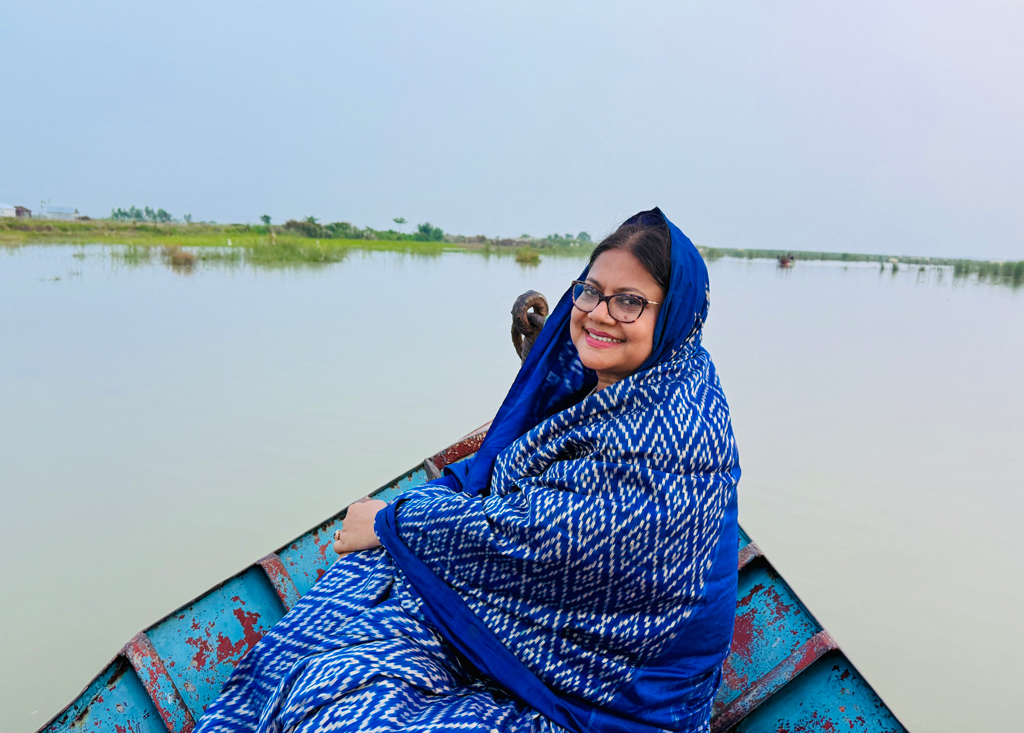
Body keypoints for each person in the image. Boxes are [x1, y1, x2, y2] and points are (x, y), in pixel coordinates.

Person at [195, 208, 741, 733]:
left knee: (341, 707)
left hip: (604, 700)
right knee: (344, 608)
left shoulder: (671, 439)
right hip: (546, 638)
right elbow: (512, 475)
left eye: (629, 302)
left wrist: (393, 521)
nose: (599, 313)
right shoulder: (640, 382)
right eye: (591, 291)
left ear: (672, 316)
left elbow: (538, 541)